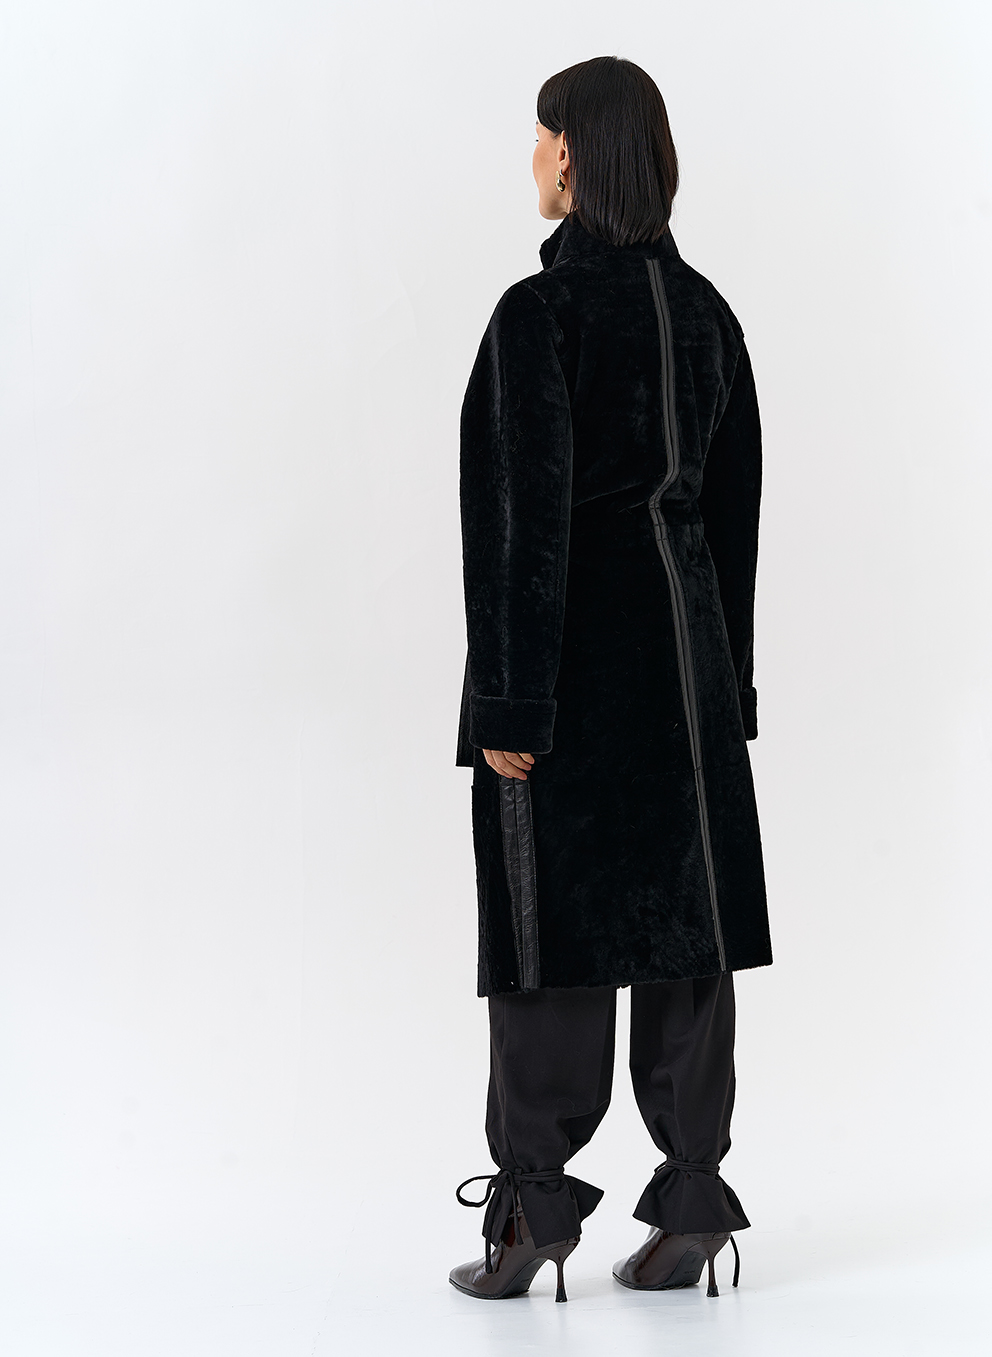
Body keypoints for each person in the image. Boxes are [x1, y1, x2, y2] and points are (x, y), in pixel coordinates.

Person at [450, 55, 772, 1304]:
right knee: (685, 938)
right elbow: (733, 522)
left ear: (574, 153)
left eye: (540, 137)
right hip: (688, 679)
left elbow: (518, 528)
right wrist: (729, 690)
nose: (531, 158)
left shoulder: (538, 318)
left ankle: (532, 1214)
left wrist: (509, 705)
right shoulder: (707, 316)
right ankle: (689, 1202)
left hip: (569, 671)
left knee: (552, 941)